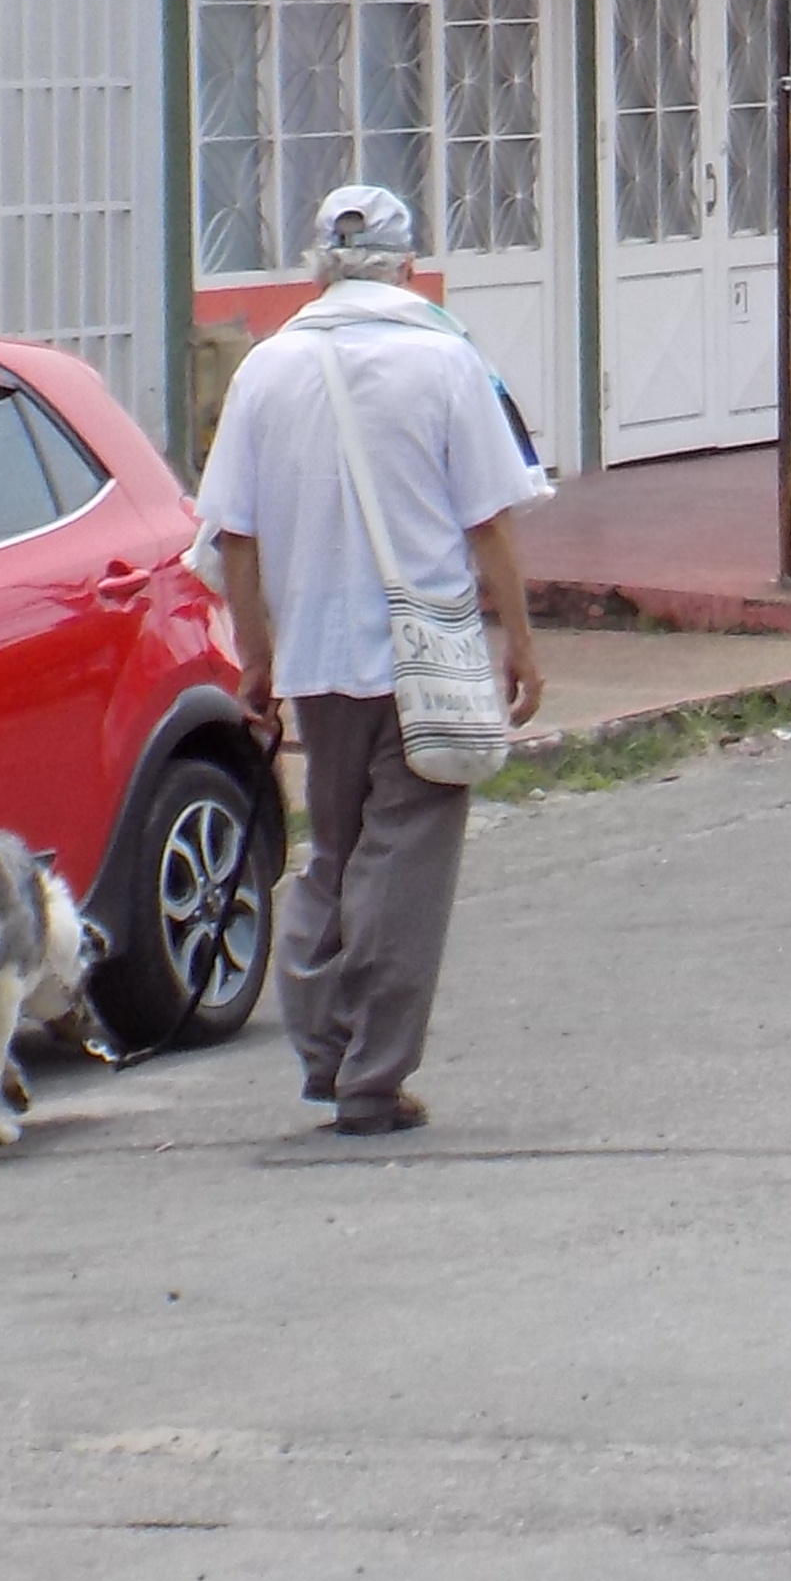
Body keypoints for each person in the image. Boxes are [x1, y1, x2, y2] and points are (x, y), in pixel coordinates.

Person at [191, 184, 553, 1133]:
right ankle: (371, 1076)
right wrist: (517, 639)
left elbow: (234, 537)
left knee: (334, 853)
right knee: (405, 864)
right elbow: (488, 520)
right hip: (424, 654)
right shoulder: (444, 361)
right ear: (404, 267)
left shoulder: (266, 371)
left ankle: (323, 1048)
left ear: (318, 267)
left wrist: (256, 659)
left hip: (315, 658)